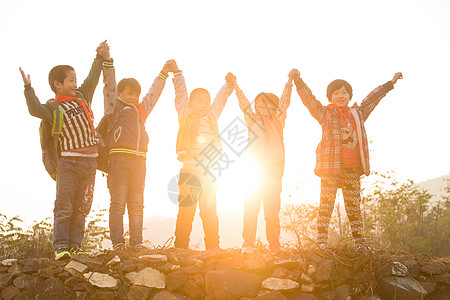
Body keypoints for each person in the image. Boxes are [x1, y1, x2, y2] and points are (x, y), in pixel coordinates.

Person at [292, 69, 403, 253]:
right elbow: (309, 100)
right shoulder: (326, 114)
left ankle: (360, 244)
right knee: (326, 206)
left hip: (352, 169)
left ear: (350, 95)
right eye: (336, 93)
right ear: (330, 97)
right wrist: (298, 80)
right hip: (330, 169)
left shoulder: (357, 114)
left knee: (354, 208)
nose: (340, 96)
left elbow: (372, 98)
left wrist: (390, 83)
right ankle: (321, 242)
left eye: (344, 92)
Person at [19, 41, 111, 260]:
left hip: (90, 164)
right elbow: (34, 110)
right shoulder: (53, 107)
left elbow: (93, 79)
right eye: (71, 80)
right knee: (64, 208)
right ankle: (61, 246)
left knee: (82, 208)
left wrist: (99, 58)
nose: (75, 83)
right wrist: (28, 89)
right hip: (68, 164)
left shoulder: (82, 97)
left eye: (75, 80)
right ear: (57, 84)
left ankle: (76, 246)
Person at [101, 51, 175, 251]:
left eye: (136, 94)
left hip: (139, 162)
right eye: (129, 93)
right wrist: (107, 62)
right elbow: (109, 84)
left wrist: (164, 73)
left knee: (136, 204)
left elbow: (154, 94)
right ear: (119, 94)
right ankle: (118, 243)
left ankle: (136, 243)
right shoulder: (113, 108)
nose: (133, 97)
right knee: (118, 203)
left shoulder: (141, 111)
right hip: (118, 162)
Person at [228, 70, 295, 254]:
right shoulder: (252, 120)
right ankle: (248, 243)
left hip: (273, 172)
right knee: (250, 208)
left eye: (265, 104)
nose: (261, 107)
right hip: (254, 171)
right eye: (258, 104)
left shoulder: (278, 120)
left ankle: (274, 245)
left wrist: (290, 81)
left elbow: (285, 101)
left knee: (272, 211)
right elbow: (243, 104)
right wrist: (234, 85)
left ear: (273, 107)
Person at [172, 61, 234, 250]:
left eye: (206, 102)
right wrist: (177, 74)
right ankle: (181, 247)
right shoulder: (185, 114)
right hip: (189, 171)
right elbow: (181, 95)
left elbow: (220, 100)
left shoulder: (212, 116)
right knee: (186, 211)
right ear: (191, 103)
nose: (203, 105)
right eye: (199, 101)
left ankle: (213, 248)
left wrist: (228, 85)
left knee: (209, 210)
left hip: (209, 172)